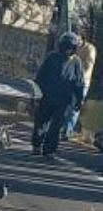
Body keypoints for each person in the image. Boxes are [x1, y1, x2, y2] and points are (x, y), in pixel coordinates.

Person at [32, 32, 85, 160]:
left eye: (72, 47)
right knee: (41, 122)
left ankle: (49, 150)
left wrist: (79, 100)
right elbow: (40, 77)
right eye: (66, 46)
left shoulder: (76, 62)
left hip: (64, 100)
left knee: (56, 126)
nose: (69, 50)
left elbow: (79, 83)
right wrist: (35, 94)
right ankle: (37, 145)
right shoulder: (52, 57)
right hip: (47, 96)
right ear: (61, 46)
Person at [64, 31, 97, 139]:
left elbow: (88, 66)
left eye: (78, 39)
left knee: (75, 107)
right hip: (70, 80)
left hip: (82, 82)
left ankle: (67, 131)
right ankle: (62, 129)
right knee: (66, 105)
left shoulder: (90, 49)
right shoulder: (74, 47)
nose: (76, 42)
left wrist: (77, 71)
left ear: (83, 39)